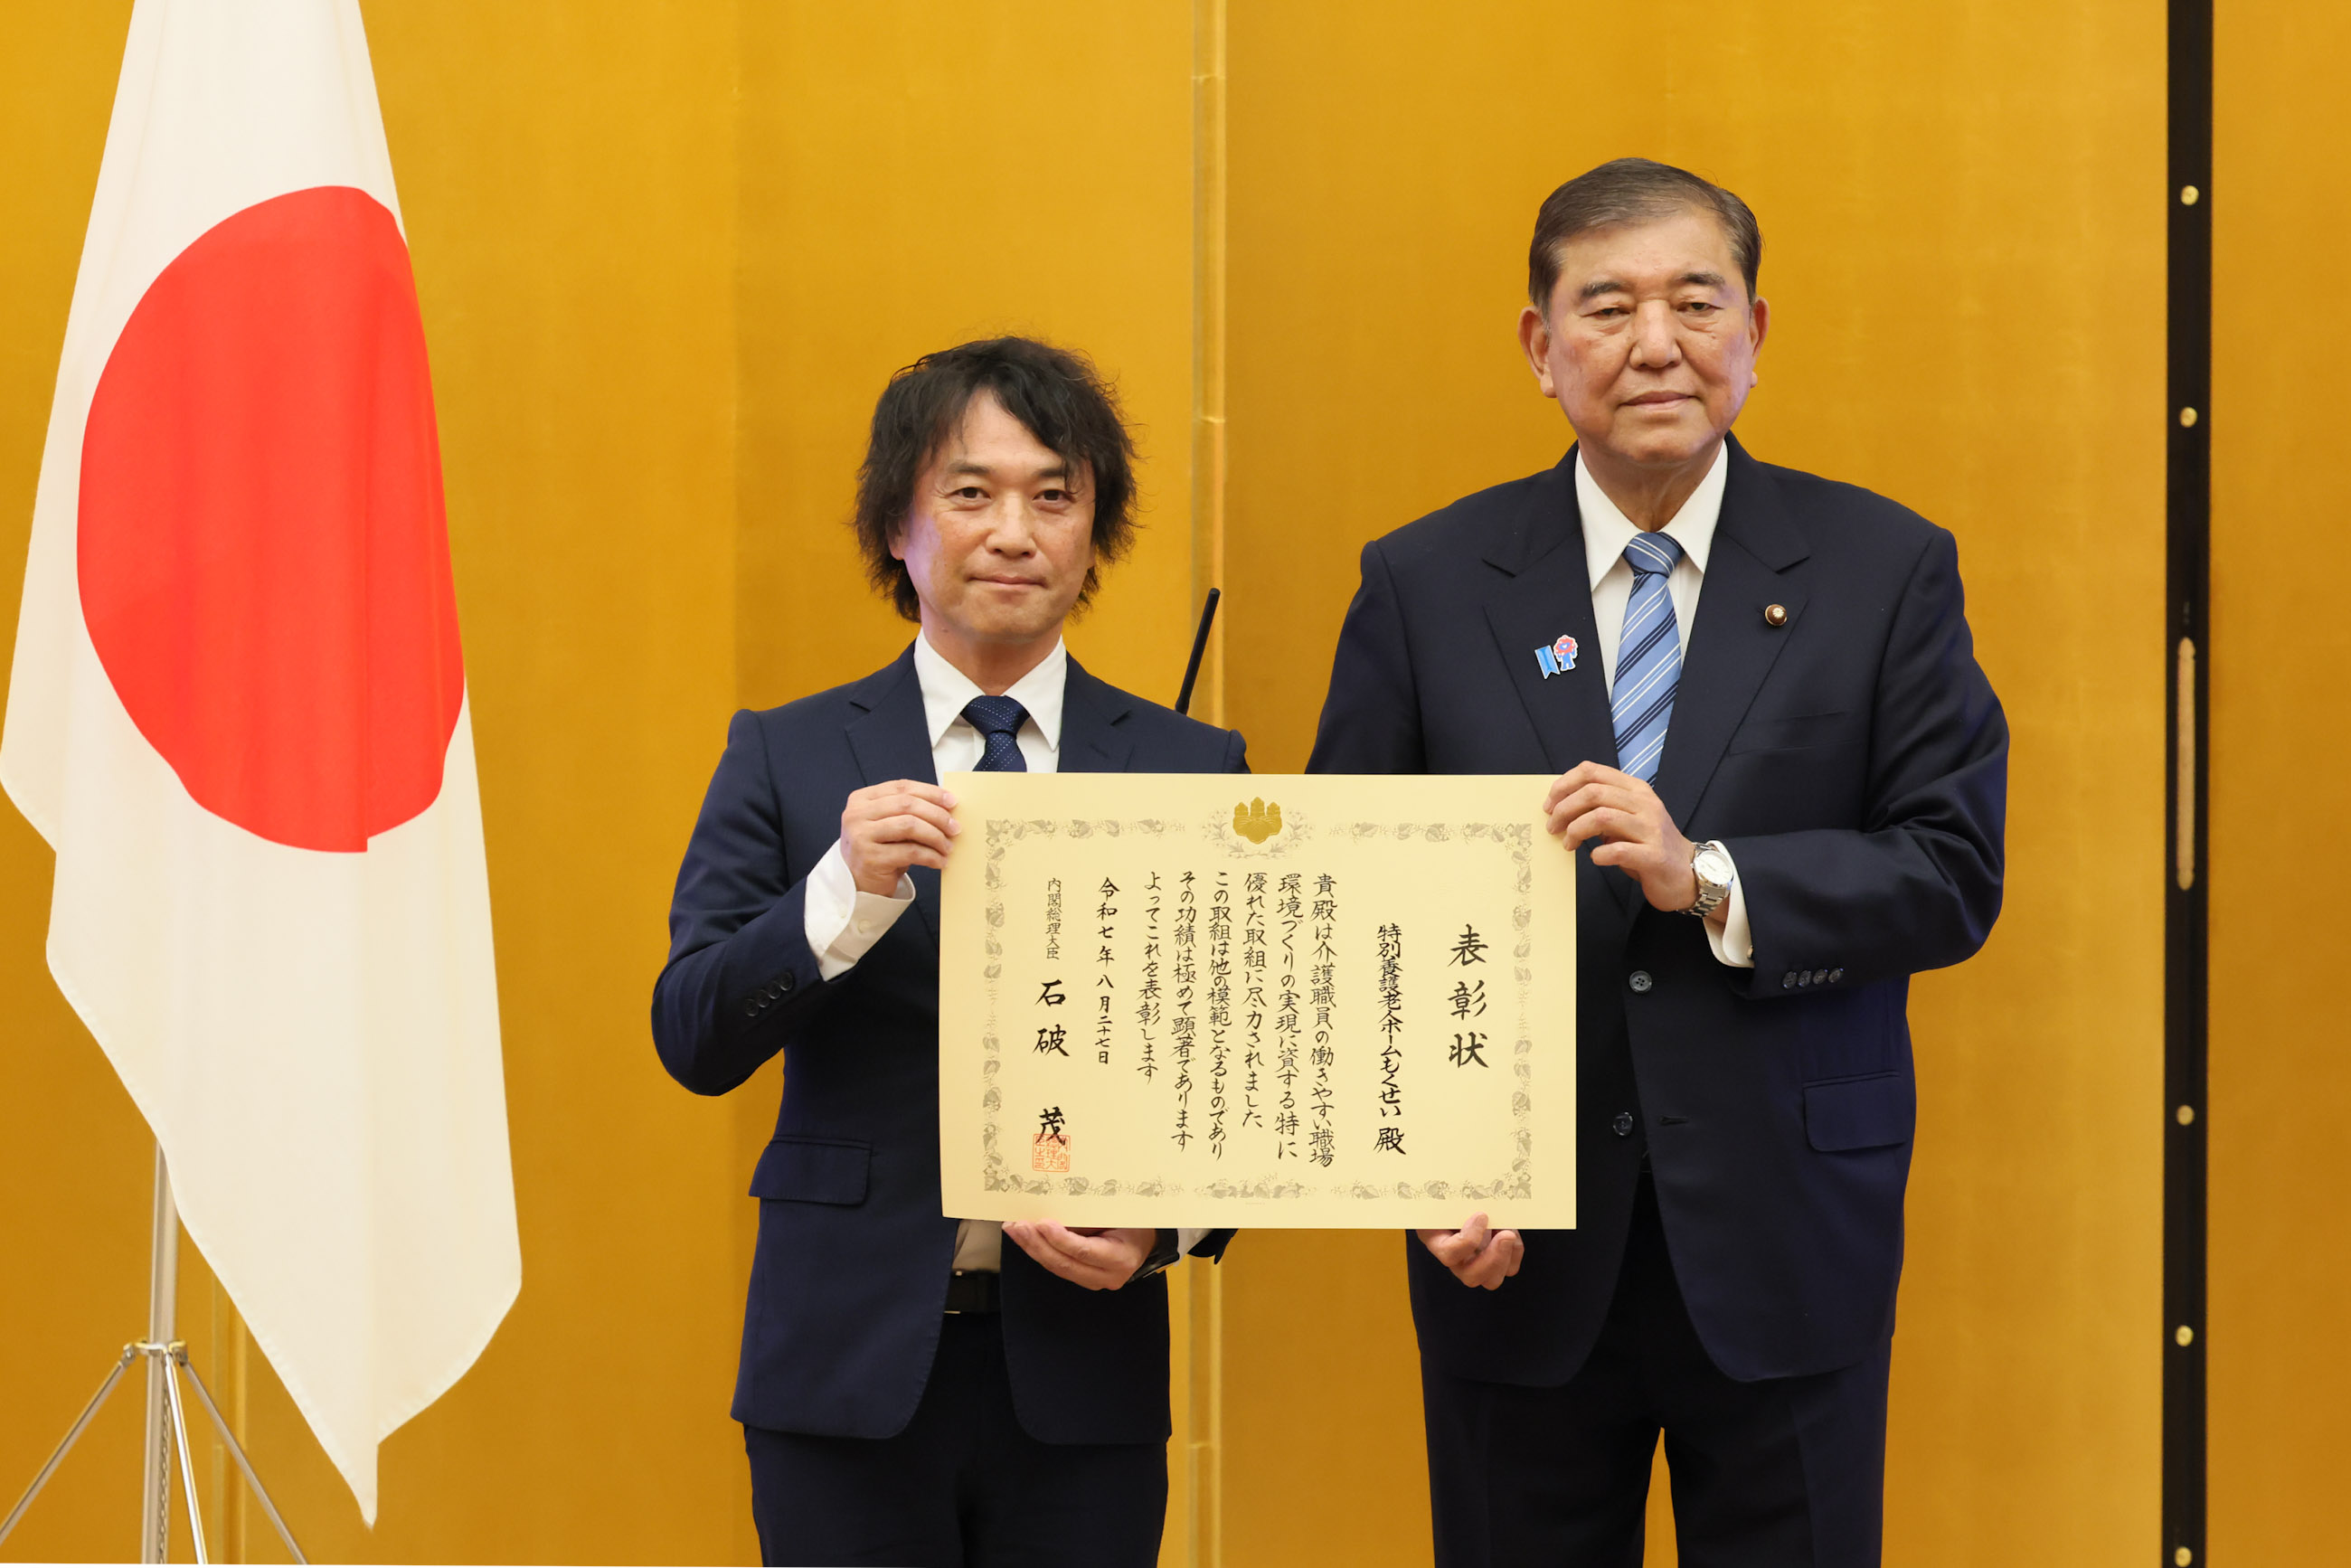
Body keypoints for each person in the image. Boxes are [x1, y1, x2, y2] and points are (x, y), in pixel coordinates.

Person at [1307, 159, 2007, 1565]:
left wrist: (1711, 878)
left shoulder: (1883, 568)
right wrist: (1416, 1172)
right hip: (1507, 1245)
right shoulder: (1427, 581)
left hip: (1789, 1234)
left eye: (1697, 301)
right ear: (1539, 342)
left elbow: (1949, 869)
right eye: (1608, 305)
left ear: (1756, 327)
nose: (1655, 344)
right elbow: (1343, 901)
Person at [652, 336, 1243, 1567]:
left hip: (1084, 1378)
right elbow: (693, 1031)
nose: (1014, 530)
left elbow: (1248, 1074)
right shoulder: (787, 752)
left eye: (1054, 494)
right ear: (896, 527)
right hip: (842, 1365)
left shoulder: (1193, 766)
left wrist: (1168, 1226)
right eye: (970, 492)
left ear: (1096, 533)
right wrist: (838, 892)